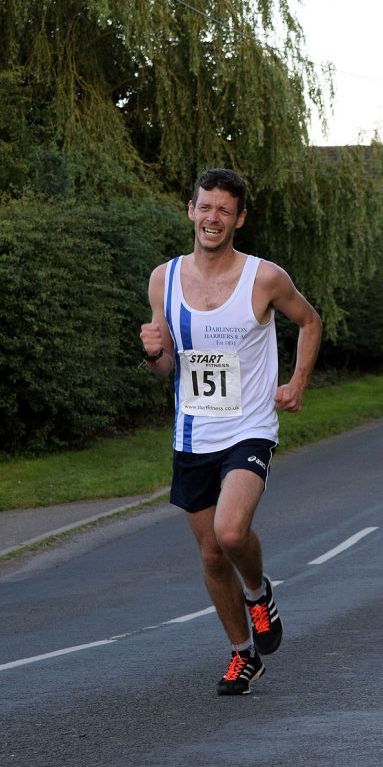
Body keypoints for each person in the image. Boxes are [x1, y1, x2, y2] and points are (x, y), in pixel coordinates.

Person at [140, 168, 322, 696]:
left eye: (224, 210)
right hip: (193, 433)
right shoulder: (164, 279)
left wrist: (297, 382)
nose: (212, 218)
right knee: (211, 555)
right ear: (191, 210)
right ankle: (244, 655)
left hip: (249, 428)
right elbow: (165, 367)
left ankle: (258, 591)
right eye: (205, 207)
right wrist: (152, 354)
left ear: (239, 219)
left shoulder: (264, 278)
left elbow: (310, 321)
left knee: (232, 532)